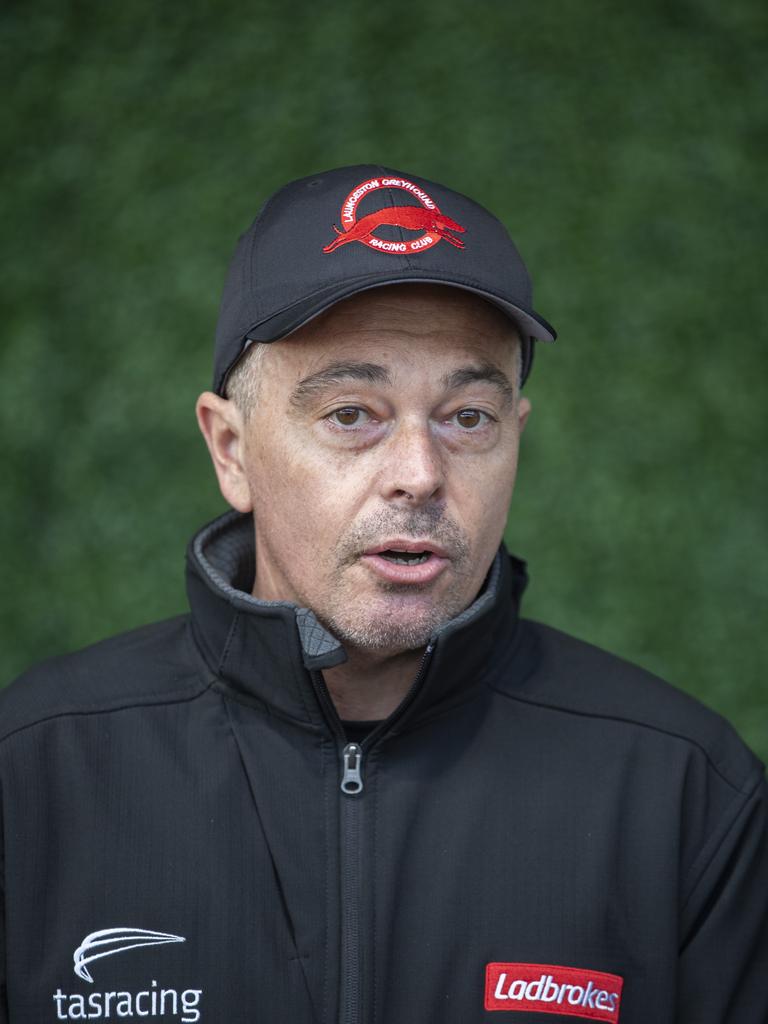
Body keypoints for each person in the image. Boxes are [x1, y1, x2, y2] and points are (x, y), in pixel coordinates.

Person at [1, 165, 765, 1024]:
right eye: (351, 414)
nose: (418, 476)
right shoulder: (34, 771)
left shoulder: (682, 792)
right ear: (231, 449)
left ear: (515, 438)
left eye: (466, 417)